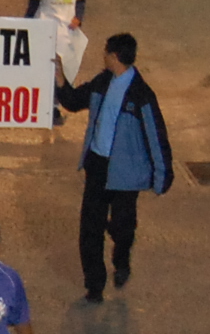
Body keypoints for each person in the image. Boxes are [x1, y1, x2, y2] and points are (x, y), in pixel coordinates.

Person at [56, 33, 173, 303]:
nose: (104, 57)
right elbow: (74, 101)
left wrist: (162, 176)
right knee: (90, 229)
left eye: (106, 53)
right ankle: (94, 285)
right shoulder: (102, 82)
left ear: (114, 56)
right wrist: (60, 79)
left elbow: (156, 136)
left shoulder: (141, 95)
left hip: (126, 173)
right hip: (97, 165)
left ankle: (121, 260)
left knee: (122, 226)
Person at [26, 0, 89, 96]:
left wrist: (78, 18)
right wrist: (27, 26)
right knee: (48, 65)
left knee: (66, 65)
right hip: (48, 29)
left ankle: (60, 97)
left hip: (67, 29)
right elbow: (34, 2)